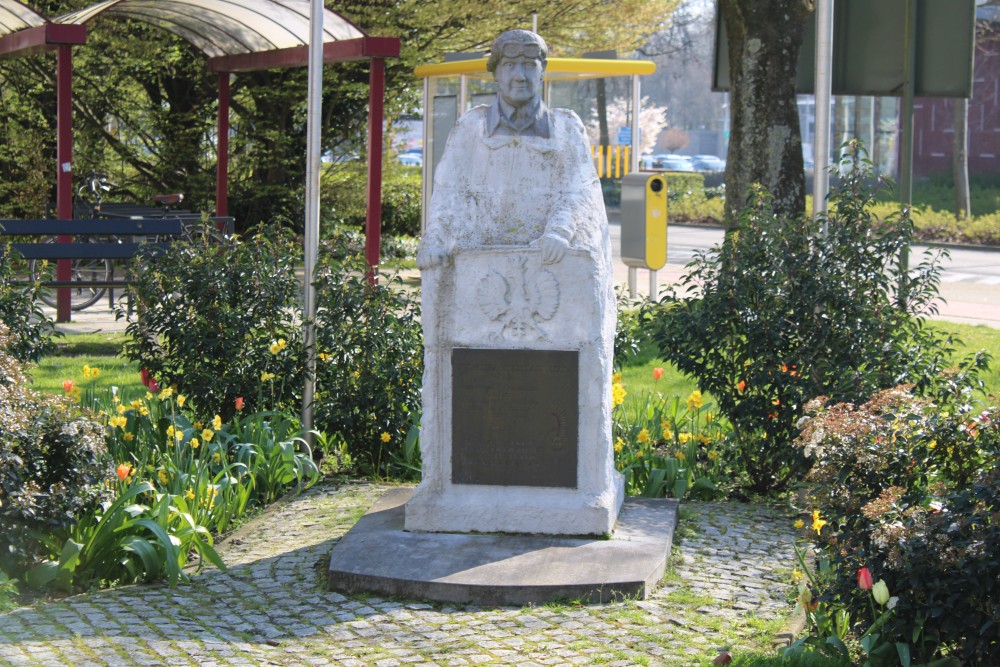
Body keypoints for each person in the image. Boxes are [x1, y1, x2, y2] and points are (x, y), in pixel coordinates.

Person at [416, 29, 610, 274]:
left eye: (529, 65)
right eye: (509, 65)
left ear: (543, 70)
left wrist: (560, 231)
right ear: (496, 72)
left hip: (548, 264)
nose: (520, 76)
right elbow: (448, 192)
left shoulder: (566, 127)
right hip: (481, 266)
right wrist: (434, 241)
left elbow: (580, 189)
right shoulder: (470, 128)